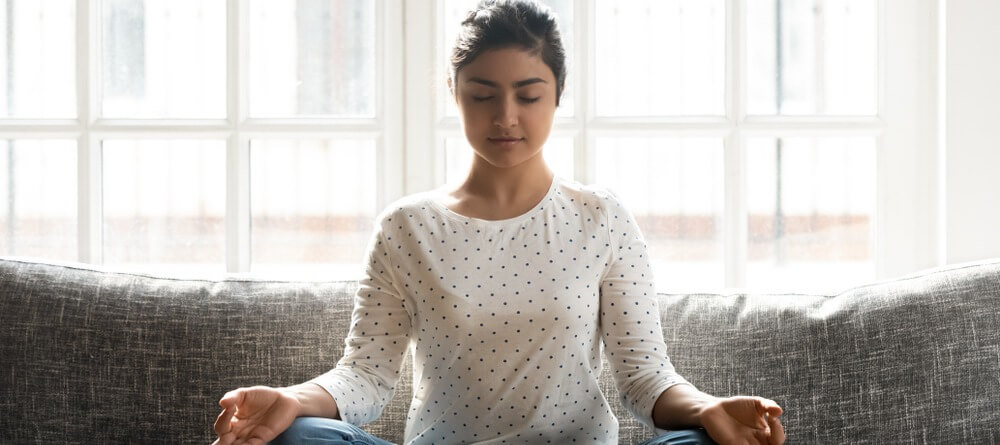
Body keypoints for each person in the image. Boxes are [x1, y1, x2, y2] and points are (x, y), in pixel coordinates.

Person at [212, 1, 786, 444]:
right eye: (483, 95)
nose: (506, 117)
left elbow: (645, 378)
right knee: (297, 436)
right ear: (453, 94)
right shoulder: (406, 228)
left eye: (528, 96)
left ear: (558, 94)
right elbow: (365, 377)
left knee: (701, 440)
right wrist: (291, 399)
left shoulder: (601, 218)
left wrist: (708, 408)